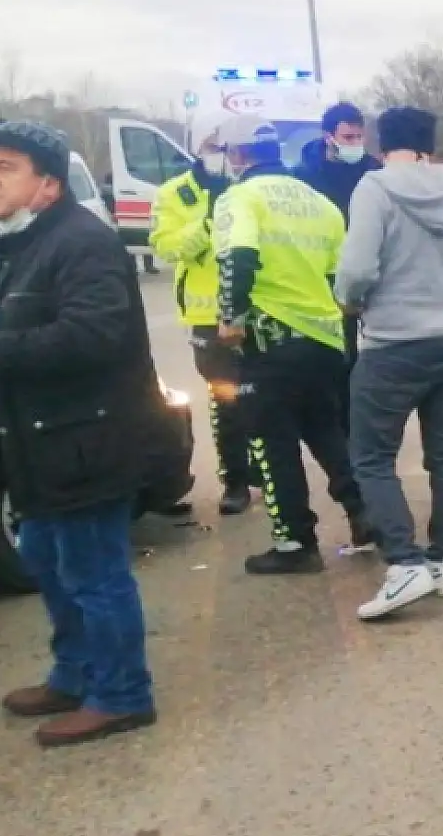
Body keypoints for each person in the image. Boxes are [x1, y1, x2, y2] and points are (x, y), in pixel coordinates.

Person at [0, 119, 160, 747]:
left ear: (48, 183)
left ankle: (122, 695)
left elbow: (93, 335)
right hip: (36, 442)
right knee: (47, 564)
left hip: (87, 441)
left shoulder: (83, 242)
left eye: (5, 167)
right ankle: (75, 674)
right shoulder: (13, 242)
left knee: (93, 573)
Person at [336, 107, 443, 621]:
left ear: (379, 144)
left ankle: (403, 564)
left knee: (370, 457)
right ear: (432, 145)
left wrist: (352, 302)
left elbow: (356, 269)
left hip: (390, 346)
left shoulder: (374, 189)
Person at [211, 116, 371, 575]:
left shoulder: (238, 198)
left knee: (272, 442)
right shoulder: (317, 201)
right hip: (323, 336)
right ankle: (364, 512)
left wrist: (230, 318)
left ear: (237, 156)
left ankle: (294, 541)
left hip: (270, 339)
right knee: (326, 429)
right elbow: (336, 274)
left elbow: (237, 257)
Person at [149, 134, 252, 516]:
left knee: (261, 399)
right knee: (226, 399)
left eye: (227, 145)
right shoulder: (176, 193)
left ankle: (264, 471)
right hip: (208, 317)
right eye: (213, 144)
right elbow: (165, 246)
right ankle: (236, 480)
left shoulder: (249, 186)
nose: (221, 153)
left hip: (258, 311)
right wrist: (208, 225)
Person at [295, 103, 380, 437]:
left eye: (359, 136)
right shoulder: (305, 174)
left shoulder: (372, 171)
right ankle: (338, 428)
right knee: (338, 356)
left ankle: (360, 426)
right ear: (328, 136)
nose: (354, 143)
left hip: (369, 269)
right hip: (325, 274)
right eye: (348, 136)